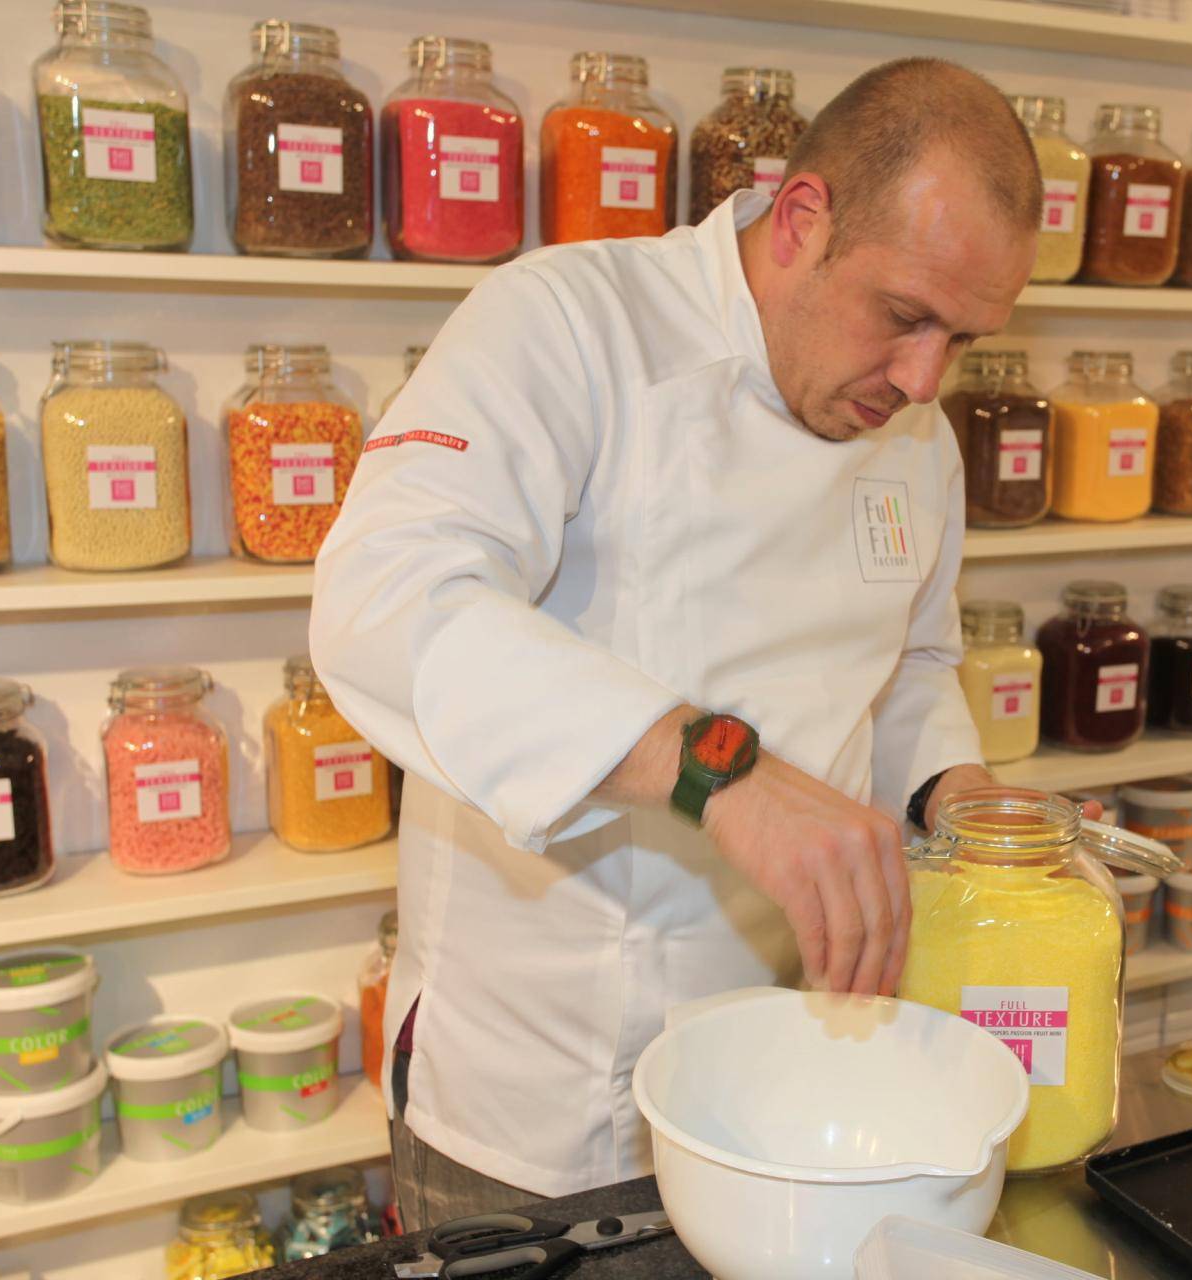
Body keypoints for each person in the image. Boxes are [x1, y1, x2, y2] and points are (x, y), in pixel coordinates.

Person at [309, 56, 1042, 1229]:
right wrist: (719, 769)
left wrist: (958, 794)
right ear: (802, 218)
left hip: (805, 1075)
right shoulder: (570, 322)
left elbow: (908, 664)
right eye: (905, 316)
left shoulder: (914, 428)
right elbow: (383, 596)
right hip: (548, 1116)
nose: (923, 378)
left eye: (965, 340)